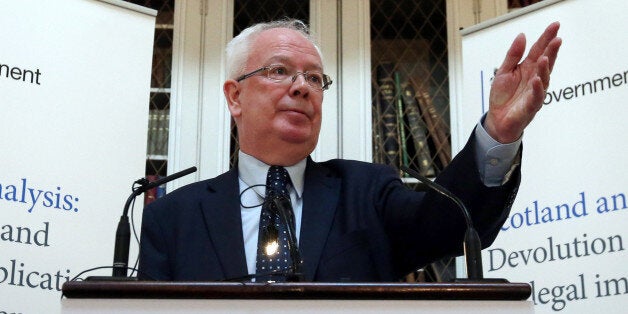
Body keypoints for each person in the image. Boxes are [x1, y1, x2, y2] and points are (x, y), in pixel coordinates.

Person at [138, 19, 561, 282]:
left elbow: (449, 225)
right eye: (280, 70)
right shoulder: (172, 217)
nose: (302, 86)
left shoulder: (367, 191)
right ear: (235, 97)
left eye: (315, 78)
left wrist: (499, 134)